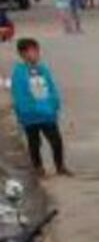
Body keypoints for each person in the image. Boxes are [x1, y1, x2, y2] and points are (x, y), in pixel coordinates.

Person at [10, 38, 71, 178]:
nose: (36, 54)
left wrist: (55, 104)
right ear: (23, 54)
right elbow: (18, 93)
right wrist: (23, 112)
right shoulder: (19, 72)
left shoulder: (43, 69)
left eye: (37, 51)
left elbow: (51, 87)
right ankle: (38, 167)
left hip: (47, 113)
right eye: (32, 51)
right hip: (30, 115)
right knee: (34, 143)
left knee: (56, 140)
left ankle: (60, 166)